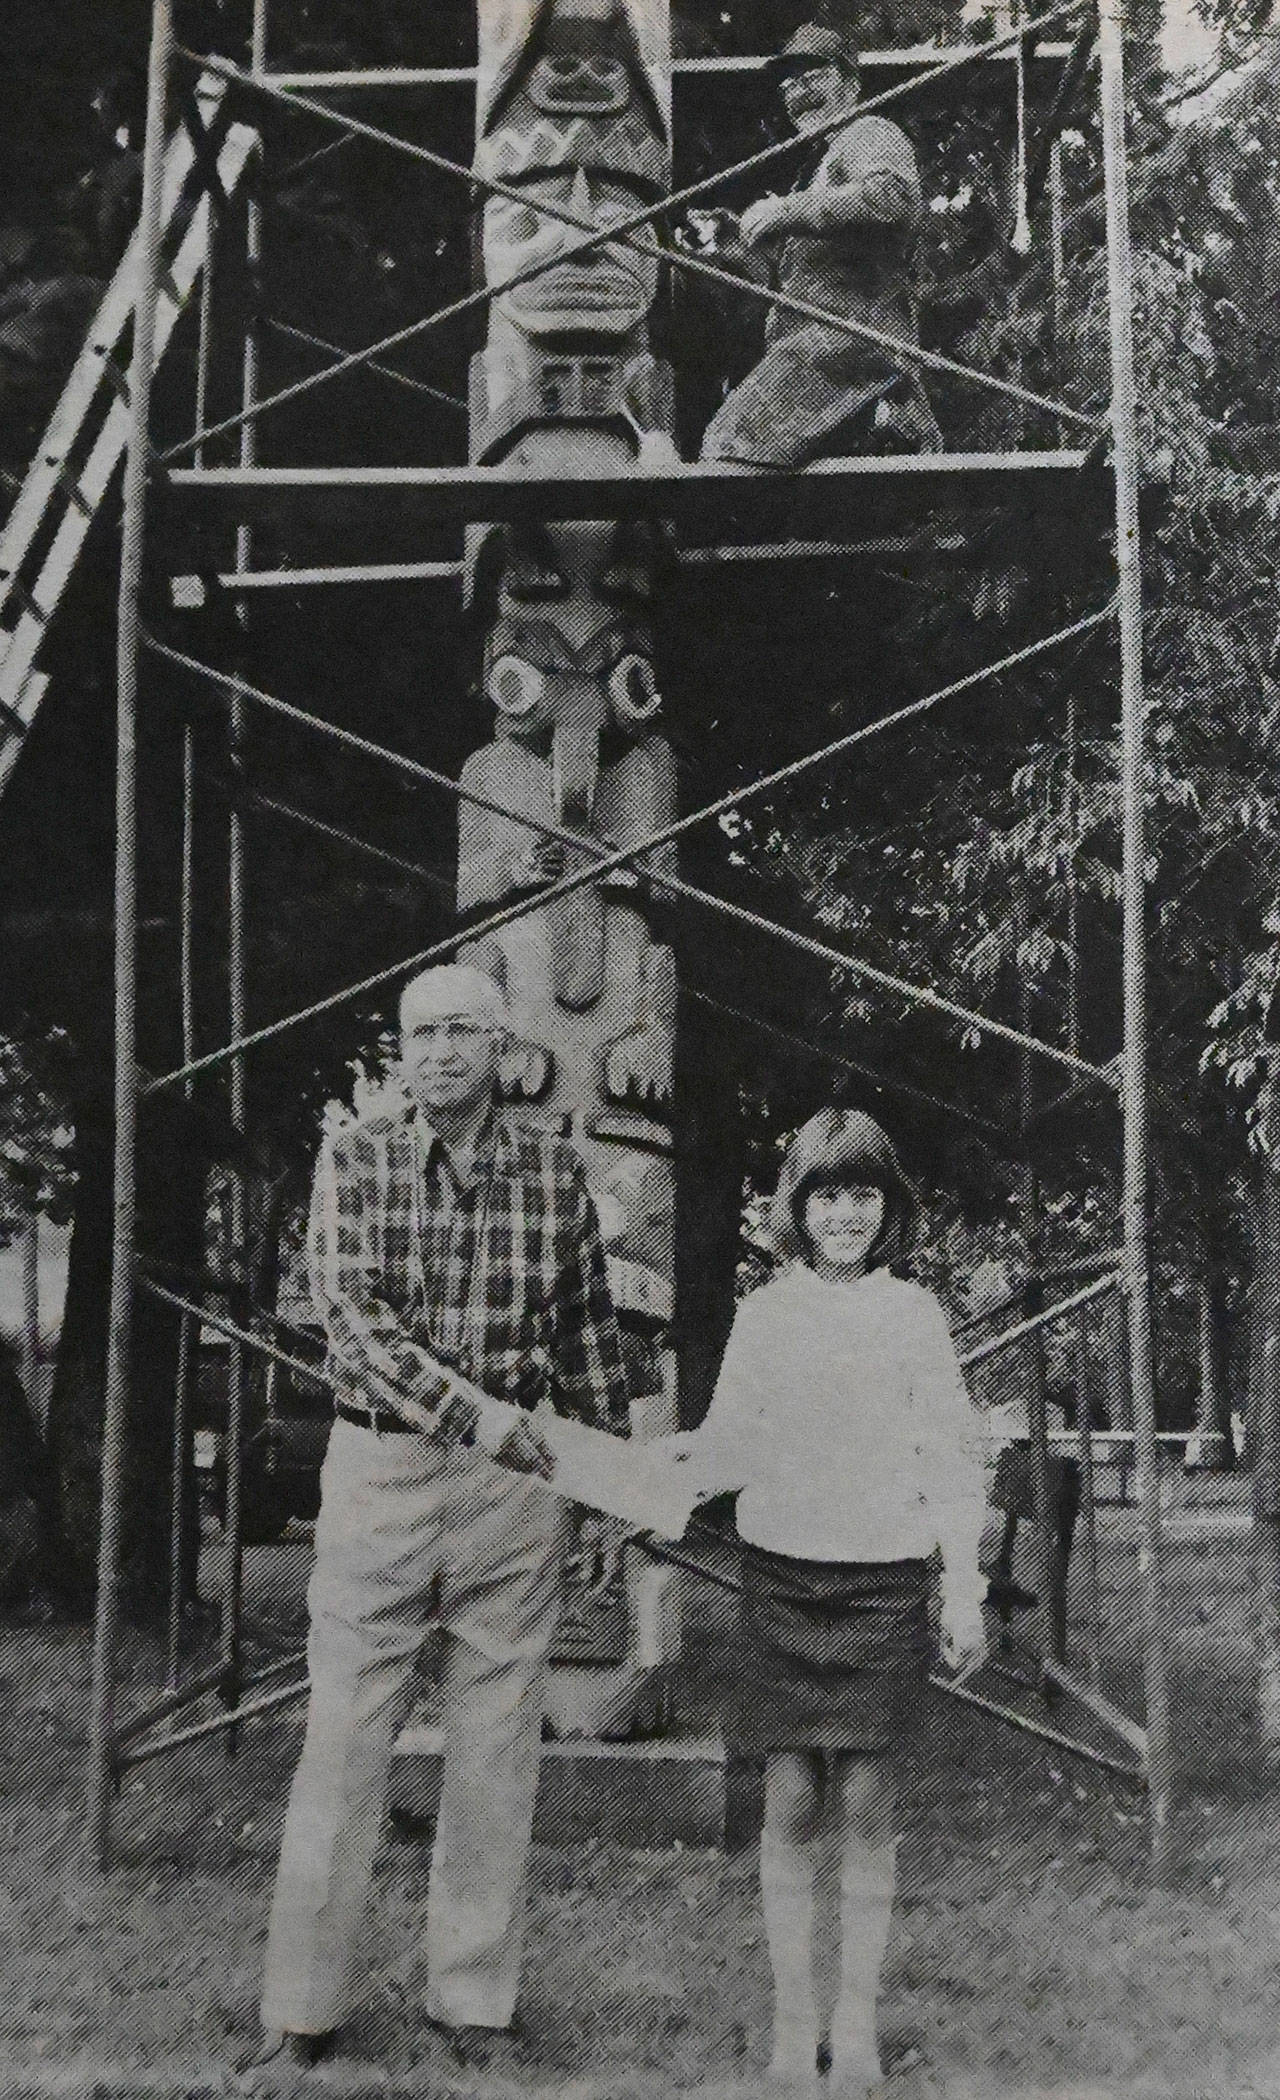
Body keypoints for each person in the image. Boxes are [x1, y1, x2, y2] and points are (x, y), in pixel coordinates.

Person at [241, 962, 632, 2092]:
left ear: (503, 1047)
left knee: (497, 1749)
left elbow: (586, 1333)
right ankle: (300, 2013)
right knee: (342, 1742)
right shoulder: (353, 1157)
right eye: (420, 1034)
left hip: (514, 1495)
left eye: (461, 1030)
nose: (439, 1051)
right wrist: (483, 1420)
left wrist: (605, 1487)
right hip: (382, 1472)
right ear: (401, 1052)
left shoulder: (555, 1171)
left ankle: (474, 2002)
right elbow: (355, 1328)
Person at [676, 1108, 987, 2098]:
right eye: (824, 1195)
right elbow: (726, 1443)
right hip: (782, 1577)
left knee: (861, 1800)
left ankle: (852, 2024)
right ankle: (791, 2022)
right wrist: (650, 1472)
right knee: (790, 1800)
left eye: (861, 1194)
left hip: (883, 1580)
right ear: (796, 1208)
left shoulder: (915, 1315)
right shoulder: (766, 1314)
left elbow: (950, 1458)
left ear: (888, 1207)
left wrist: (964, 1591)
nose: (843, 1215)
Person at [696, 22, 941, 468]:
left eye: (813, 75)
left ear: (851, 83)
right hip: (827, 352)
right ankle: (891, 422)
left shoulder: (868, 131)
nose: (799, 92)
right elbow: (802, 272)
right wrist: (735, 238)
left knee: (732, 443)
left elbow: (891, 196)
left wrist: (785, 210)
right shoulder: (819, 168)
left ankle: (888, 415)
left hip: (848, 344)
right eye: (789, 84)